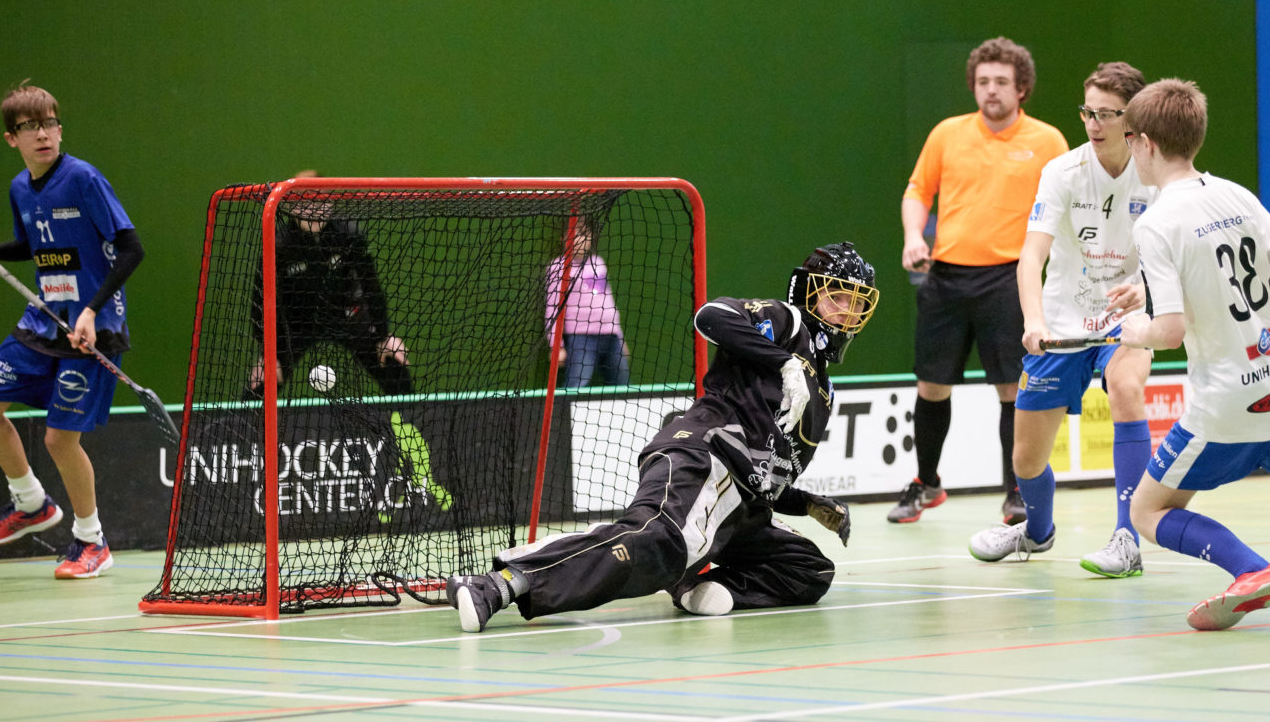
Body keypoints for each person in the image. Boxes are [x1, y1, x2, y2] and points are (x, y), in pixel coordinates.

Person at [447, 243, 879, 632]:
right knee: (656, 537)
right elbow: (712, 316)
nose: (844, 310)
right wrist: (783, 361)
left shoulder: (824, 390)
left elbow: (763, 475)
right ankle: (501, 583)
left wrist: (804, 503)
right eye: (835, 296)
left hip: (738, 502)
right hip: (701, 455)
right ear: (808, 292)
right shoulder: (786, 324)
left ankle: (693, 582)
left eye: (855, 304)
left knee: (806, 567)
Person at [968, 62, 1157, 575]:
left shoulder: (1156, 173)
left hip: (1129, 317)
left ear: (1133, 118)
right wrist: (1034, 321)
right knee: (1026, 460)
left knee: (1126, 387)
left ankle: (1127, 536)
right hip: (1061, 322)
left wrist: (1143, 289)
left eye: (1106, 114)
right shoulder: (1063, 172)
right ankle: (1036, 531)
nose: (1093, 124)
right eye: (1087, 112)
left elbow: (1176, 255)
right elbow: (1031, 258)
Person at [891, 36, 1069, 525]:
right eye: (983, 81)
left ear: (1022, 89)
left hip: (1008, 281)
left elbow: (1068, 207)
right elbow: (916, 191)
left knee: (1012, 390)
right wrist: (913, 235)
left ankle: (1015, 491)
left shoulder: (1049, 141)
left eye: (1002, 82)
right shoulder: (947, 133)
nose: (991, 90)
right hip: (946, 279)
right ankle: (927, 484)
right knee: (931, 387)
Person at [1117, 78, 1270, 630]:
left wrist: (1135, 330)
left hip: (1227, 401)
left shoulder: (1155, 221)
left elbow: (1172, 330)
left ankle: (1251, 570)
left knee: (1148, 511)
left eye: (1129, 136)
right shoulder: (1239, 197)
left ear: (1148, 144)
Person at [0, 81, 145, 578]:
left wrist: (91, 313)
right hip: (44, 322)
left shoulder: (83, 179)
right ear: (11, 138)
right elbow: (31, 246)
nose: (43, 134)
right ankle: (31, 503)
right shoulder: (21, 188)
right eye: (30, 127)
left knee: (60, 440)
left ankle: (91, 541)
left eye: (50, 123)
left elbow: (131, 248)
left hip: (92, 329)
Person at [248, 170, 411, 397]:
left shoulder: (348, 234)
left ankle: (406, 427)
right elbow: (261, 302)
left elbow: (370, 285)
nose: (313, 210)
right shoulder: (278, 244)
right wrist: (270, 353)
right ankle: (256, 432)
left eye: (319, 202)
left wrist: (384, 336)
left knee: (394, 362)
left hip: (347, 315)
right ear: (291, 208)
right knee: (261, 384)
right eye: (304, 203)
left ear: (330, 204)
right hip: (297, 325)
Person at [543, 216, 630, 387]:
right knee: (576, 385)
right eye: (573, 234)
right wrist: (557, 346)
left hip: (610, 336)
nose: (579, 239)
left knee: (622, 385)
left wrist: (619, 336)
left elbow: (608, 301)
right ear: (563, 238)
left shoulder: (598, 263)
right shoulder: (557, 268)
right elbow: (553, 309)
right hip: (581, 338)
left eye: (583, 234)